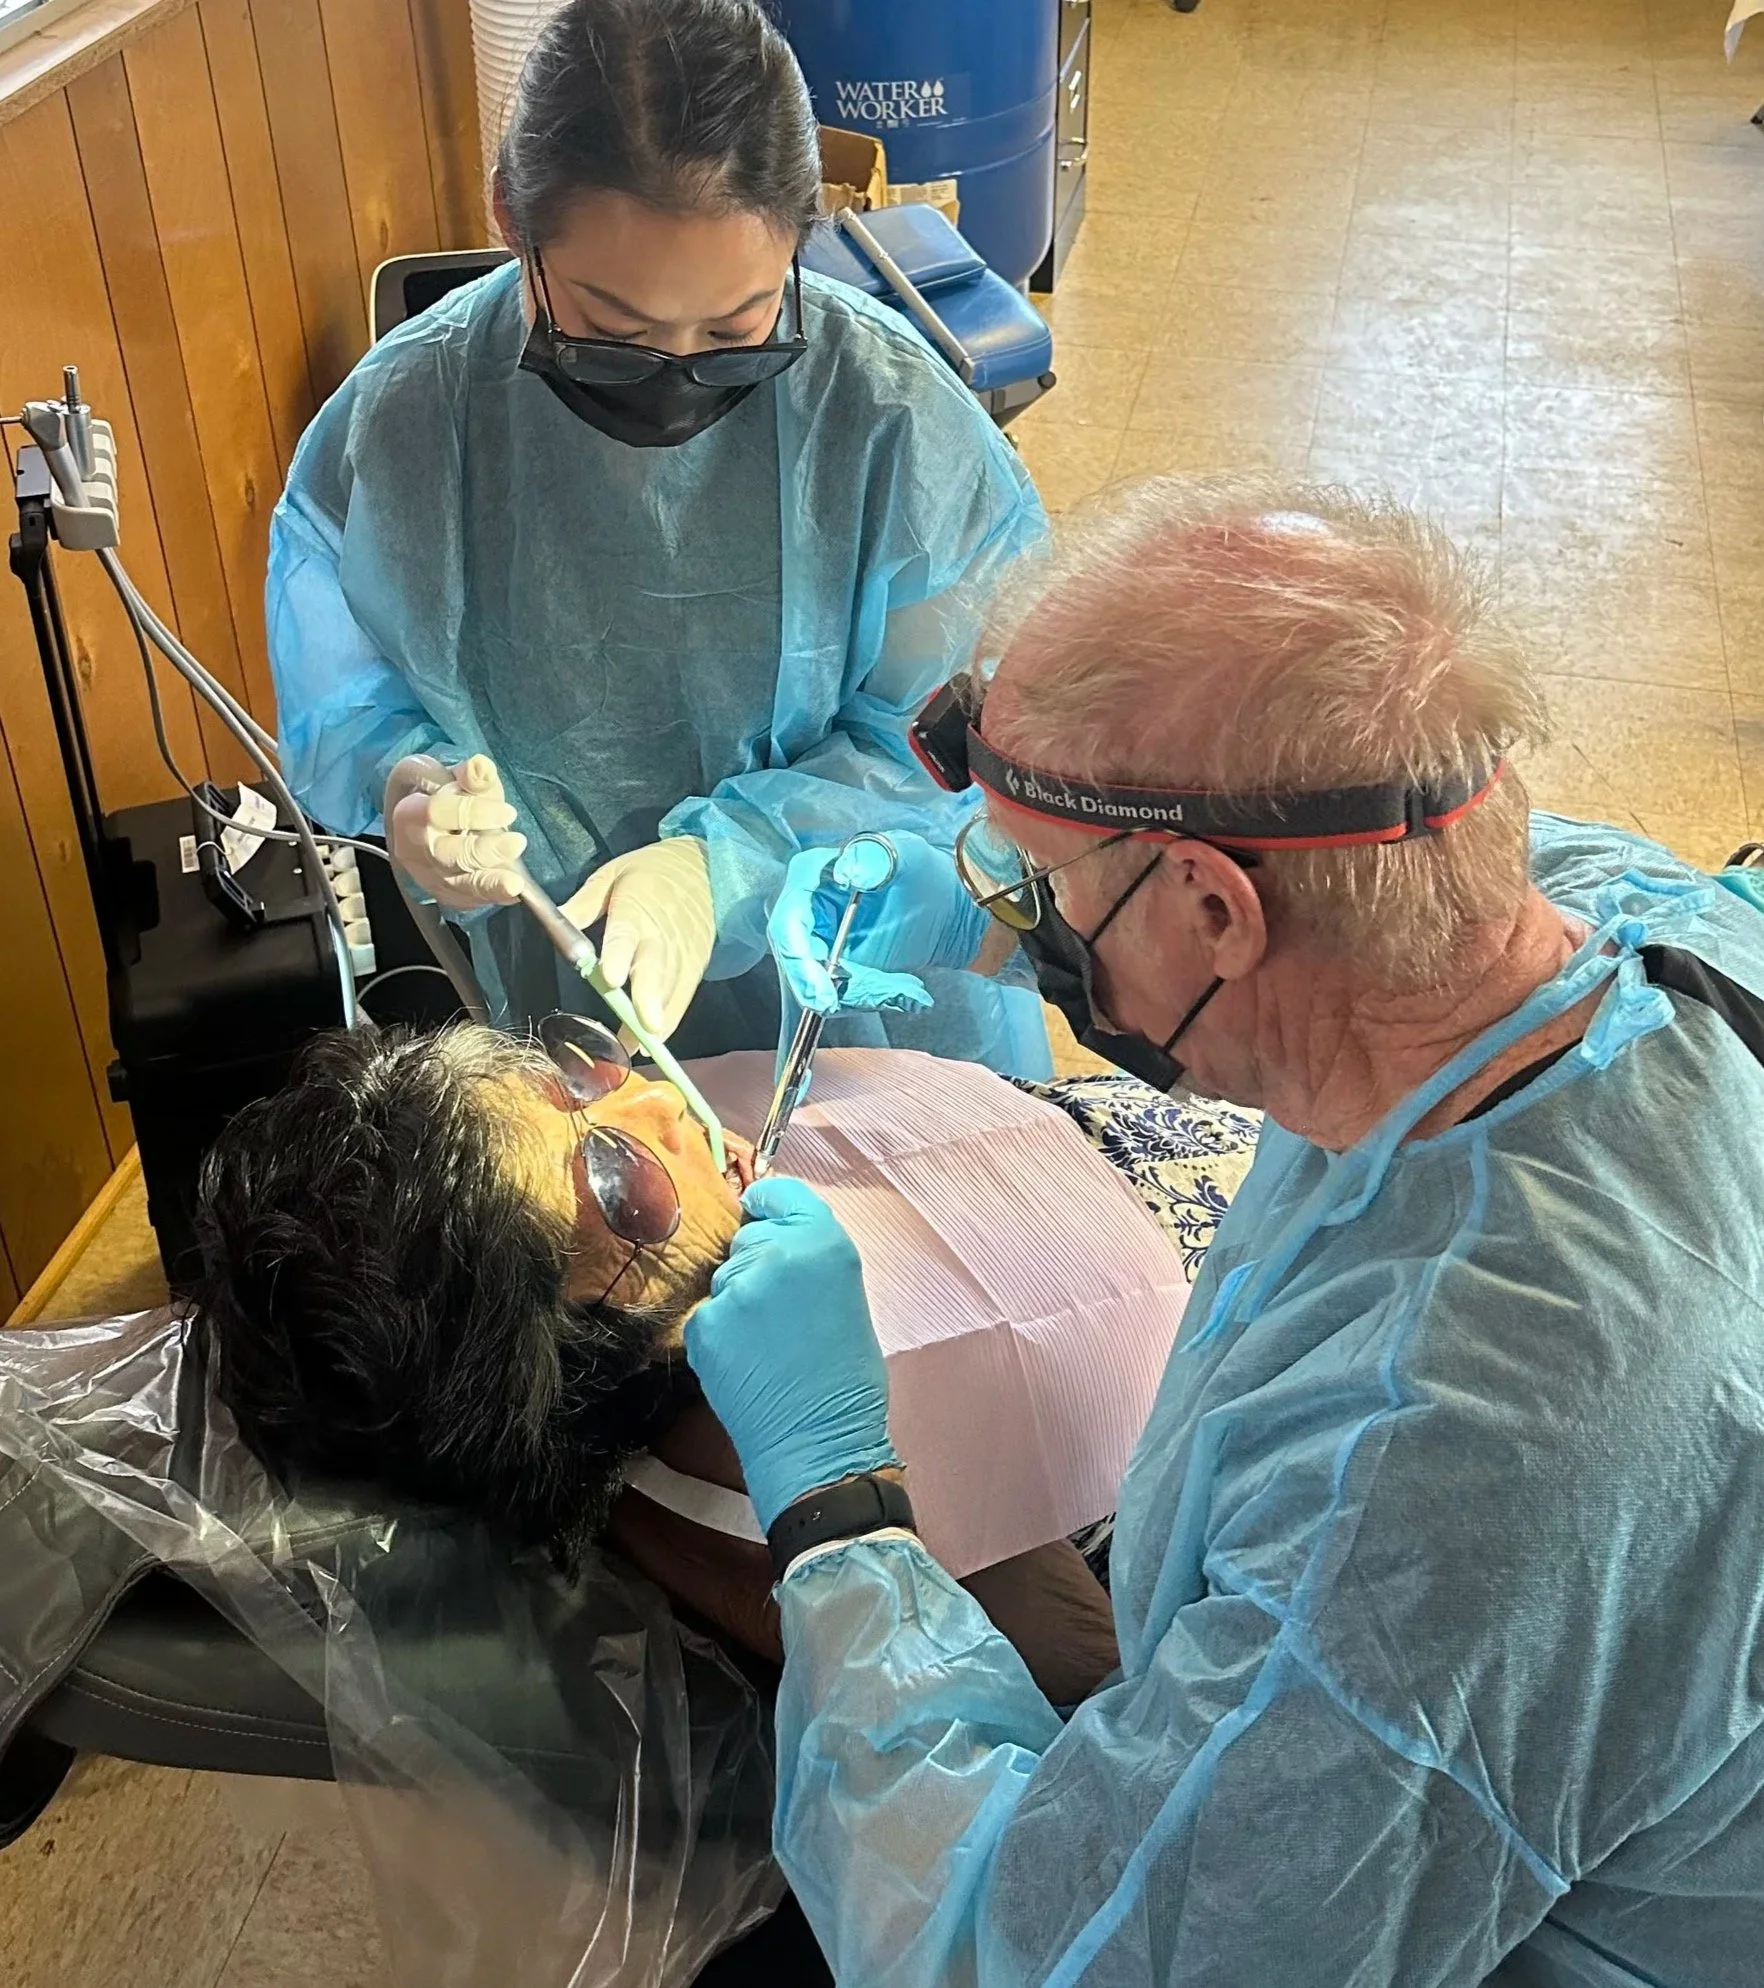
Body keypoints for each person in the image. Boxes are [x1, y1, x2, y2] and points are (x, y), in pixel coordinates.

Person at [687, 477, 1764, 1985]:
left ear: (1214, 910)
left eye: (1038, 881)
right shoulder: (1564, 904)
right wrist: (976, 911)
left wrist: (833, 1501)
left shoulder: (1445, 1474)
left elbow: (1036, 1960)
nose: (1022, 910)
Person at [267, 0, 1049, 1076]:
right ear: (511, 221)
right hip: (575, 995)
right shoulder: (410, 418)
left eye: (736, 329)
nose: (676, 376)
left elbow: (949, 750)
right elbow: (352, 700)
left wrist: (725, 867)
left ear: (802, 231)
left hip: (871, 1016)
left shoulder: (890, 418)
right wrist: (412, 789)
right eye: (615, 331)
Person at [192, 1024, 1251, 1695]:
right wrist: (843, 1495)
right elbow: (1129, 1716)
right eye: (616, 1175)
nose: (657, 1098)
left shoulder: (686, 1241)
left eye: (577, 1078)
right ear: (585, 1355)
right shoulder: (787, 1500)